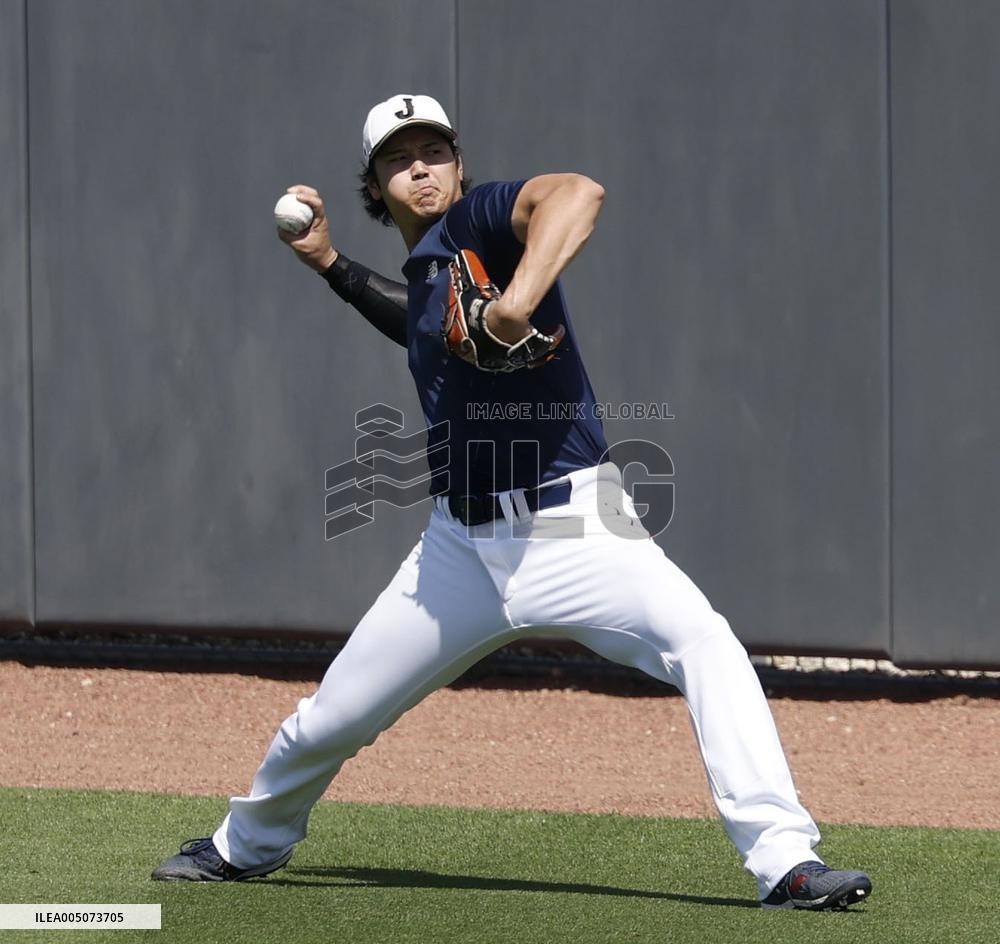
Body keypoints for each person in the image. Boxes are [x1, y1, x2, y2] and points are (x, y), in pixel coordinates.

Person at [152, 93, 872, 910]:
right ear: (376, 183)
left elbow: (579, 194)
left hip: (576, 523)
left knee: (703, 643)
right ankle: (244, 845)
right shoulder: (432, 267)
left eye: (434, 151)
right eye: (399, 157)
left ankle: (787, 862)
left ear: (459, 163)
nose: (420, 167)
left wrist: (515, 303)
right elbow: (421, 320)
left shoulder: (485, 219)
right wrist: (330, 264)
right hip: (458, 551)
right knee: (327, 721)